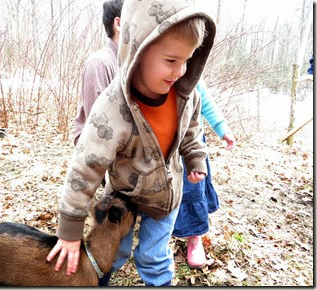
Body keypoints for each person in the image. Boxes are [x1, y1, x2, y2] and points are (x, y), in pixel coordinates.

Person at [47, 0, 217, 286]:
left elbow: (191, 132)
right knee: (113, 252)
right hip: (123, 194)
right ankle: (100, 280)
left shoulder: (186, 96)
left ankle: (159, 283)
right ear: (137, 50)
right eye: (171, 61)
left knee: (153, 256)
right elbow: (85, 167)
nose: (180, 72)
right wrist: (70, 228)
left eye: (187, 60)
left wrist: (196, 157)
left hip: (166, 196)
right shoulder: (112, 108)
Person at [173, 80, 236, 268]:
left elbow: (207, 103)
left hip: (192, 142)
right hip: (164, 142)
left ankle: (194, 238)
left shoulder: (192, 74)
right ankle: (162, 234)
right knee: (166, 190)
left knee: (193, 189)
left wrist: (223, 130)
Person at [73, 0, 123, 146]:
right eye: (134, 19)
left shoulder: (128, 62)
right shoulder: (99, 63)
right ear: (118, 23)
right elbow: (97, 126)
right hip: (99, 156)